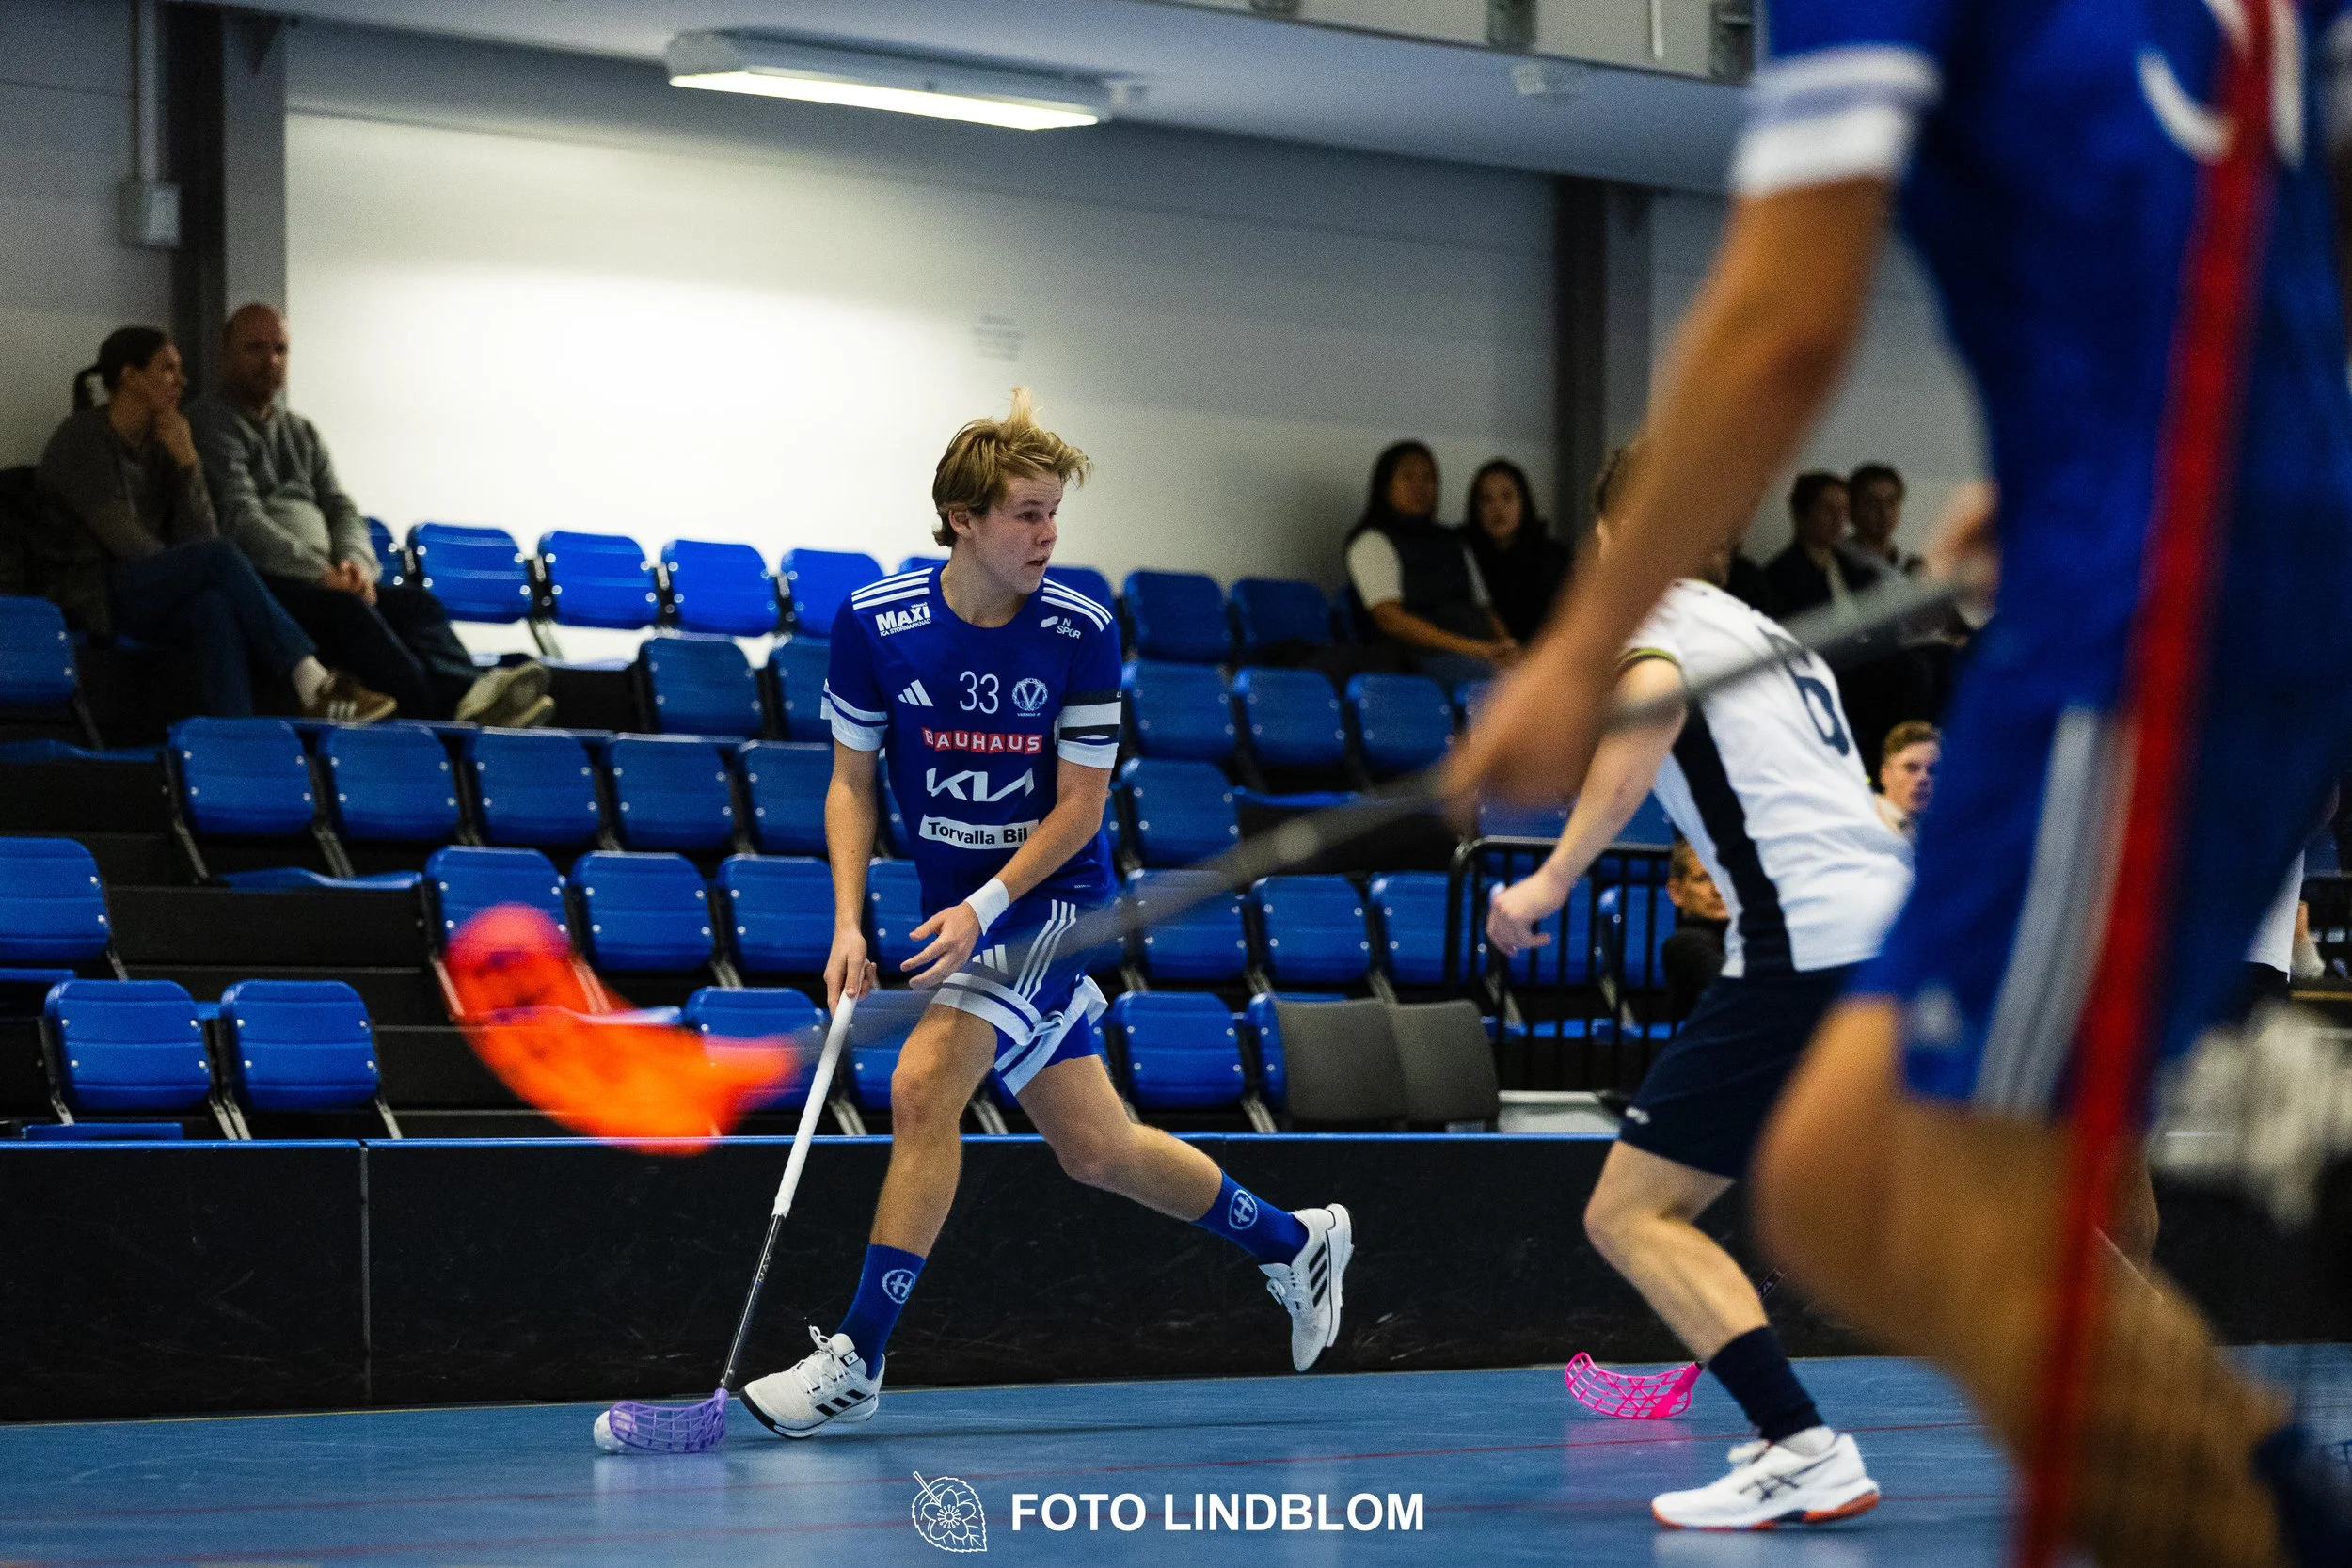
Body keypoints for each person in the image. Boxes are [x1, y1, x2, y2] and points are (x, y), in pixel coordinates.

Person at [1449, 0, 2352, 1559]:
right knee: (1849, 1180)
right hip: (2240, 570)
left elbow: (1781, 322)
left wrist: (1567, 652)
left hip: (2157, 608)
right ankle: (2247, 1502)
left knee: (1875, 1189)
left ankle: (2261, 1513)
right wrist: (2116, 441)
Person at [740, 390, 1352, 1435]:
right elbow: (850, 782)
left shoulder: (1079, 630)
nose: (1047, 534)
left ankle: (858, 1356)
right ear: (961, 517)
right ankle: (1293, 1241)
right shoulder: (875, 624)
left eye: (1054, 512)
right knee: (1098, 1148)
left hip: (1053, 907)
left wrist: (984, 905)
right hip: (963, 915)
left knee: (925, 1081)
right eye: (1026, 512)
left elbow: (1080, 809)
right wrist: (847, 920)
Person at [1485, 439, 1908, 1528]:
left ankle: (1801, 1442)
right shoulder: (1768, 630)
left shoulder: (1658, 627)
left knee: (1633, 1210)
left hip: (1801, 945)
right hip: (1891, 930)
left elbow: (1652, 704)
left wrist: (1549, 875)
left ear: (1614, 534)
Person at [188, 305, 550, 728]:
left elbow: (340, 506)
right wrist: (320, 574)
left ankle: (469, 692)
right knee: (349, 611)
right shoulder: (209, 424)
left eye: (280, 350)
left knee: (418, 604)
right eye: (256, 348)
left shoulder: (302, 432)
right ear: (225, 352)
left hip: (329, 580)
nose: (271, 361)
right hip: (268, 582)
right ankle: (448, 712)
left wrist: (355, 565)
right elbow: (240, 519)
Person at [34, 325, 394, 723]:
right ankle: (310, 679)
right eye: (168, 369)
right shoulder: (81, 438)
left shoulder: (163, 441)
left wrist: (188, 464)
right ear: (129, 376)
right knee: (216, 561)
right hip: (91, 590)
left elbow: (202, 536)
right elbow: (128, 544)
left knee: (215, 606)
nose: (182, 382)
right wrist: (192, 567)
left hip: (150, 587)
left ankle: (235, 739)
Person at [1343, 440, 1518, 684]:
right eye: (1409, 477)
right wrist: (1475, 649)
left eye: (1428, 478)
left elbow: (1484, 609)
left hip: (1477, 652)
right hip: (1418, 660)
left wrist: (1506, 648)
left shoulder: (1454, 540)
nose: (1420, 487)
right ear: (1385, 486)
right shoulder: (1372, 540)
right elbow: (1391, 619)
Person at [1462, 457, 1570, 644]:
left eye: (1507, 497)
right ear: (1475, 508)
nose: (1497, 508)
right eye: (1486, 500)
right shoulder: (1462, 555)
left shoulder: (1553, 559)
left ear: (1523, 503)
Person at [1762, 472, 1879, 616]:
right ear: (1801, 513)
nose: (1838, 520)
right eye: (1827, 509)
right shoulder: (1779, 576)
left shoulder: (1857, 568)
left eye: (1844, 509)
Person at [1660, 836, 1729, 1022]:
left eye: (1725, 876)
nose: (1718, 890)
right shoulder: (1684, 944)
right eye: (1704, 878)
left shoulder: (1749, 936)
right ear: (1676, 892)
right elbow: (1735, 993)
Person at [1847, 463, 1922, 573]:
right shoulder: (1835, 564)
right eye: (1872, 503)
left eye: (1891, 502)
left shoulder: (1913, 567)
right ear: (1852, 508)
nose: (1884, 512)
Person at [1873, 720, 1938, 840]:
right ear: (1885, 774)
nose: (1923, 778)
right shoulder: (1861, 819)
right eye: (1911, 768)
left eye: (1933, 771)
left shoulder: (1945, 834)